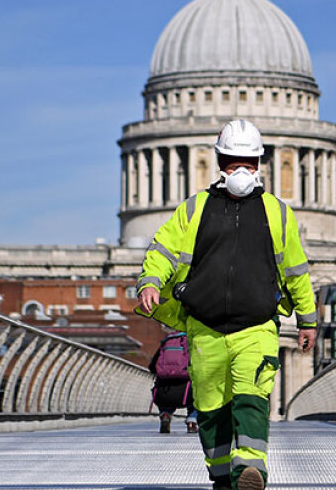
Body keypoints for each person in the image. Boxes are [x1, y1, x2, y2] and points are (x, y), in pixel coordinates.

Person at [135, 119, 317, 490]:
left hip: (256, 326)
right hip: (205, 327)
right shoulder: (194, 208)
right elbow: (163, 248)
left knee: (252, 398)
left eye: (248, 163)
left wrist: (308, 319)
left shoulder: (278, 212)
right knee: (211, 409)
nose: (240, 170)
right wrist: (151, 281)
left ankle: (250, 470)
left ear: (260, 165)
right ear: (218, 161)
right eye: (233, 161)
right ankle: (221, 475)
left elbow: (297, 271)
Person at [148, 330, 199, 433]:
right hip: (186, 391)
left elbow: (152, 367)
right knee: (199, 396)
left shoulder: (167, 341)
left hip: (164, 390)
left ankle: (165, 414)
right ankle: (192, 420)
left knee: (164, 401)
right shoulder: (192, 342)